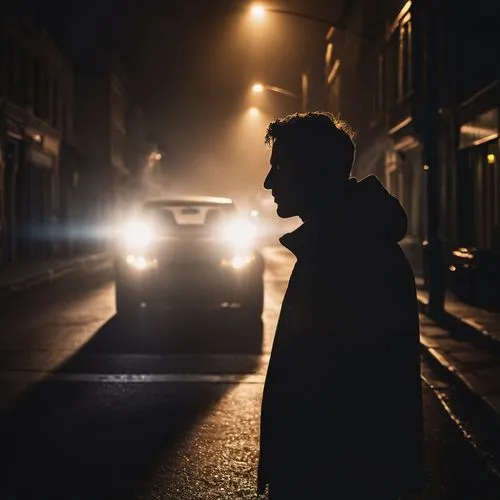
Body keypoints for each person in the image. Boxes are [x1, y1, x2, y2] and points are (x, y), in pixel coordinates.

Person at [257, 112, 424, 499]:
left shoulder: (348, 254)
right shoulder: (343, 242)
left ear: (312, 171)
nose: (269, 181)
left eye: (280, 166)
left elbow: (341, 399)